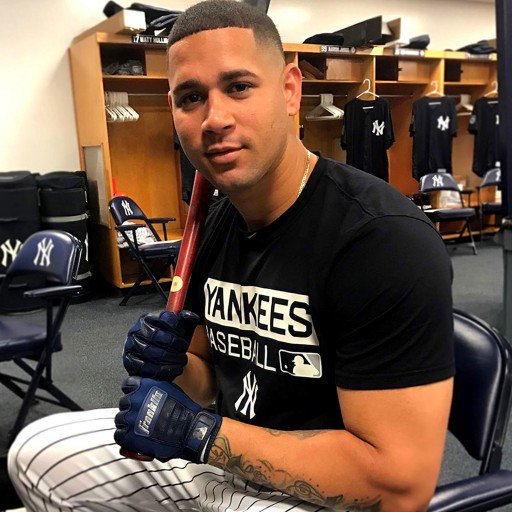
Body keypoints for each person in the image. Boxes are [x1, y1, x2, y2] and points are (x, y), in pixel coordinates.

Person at [8, 1, 455, 511]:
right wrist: (176, 368)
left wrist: (201, 434)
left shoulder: (381, 242)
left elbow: (400, 485)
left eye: (239, 87)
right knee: (35, 451)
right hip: (225, 458)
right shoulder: (219, 219)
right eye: (191, 97)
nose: (214, 119)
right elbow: (204, 376)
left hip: (322, 495)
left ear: (290, 90)